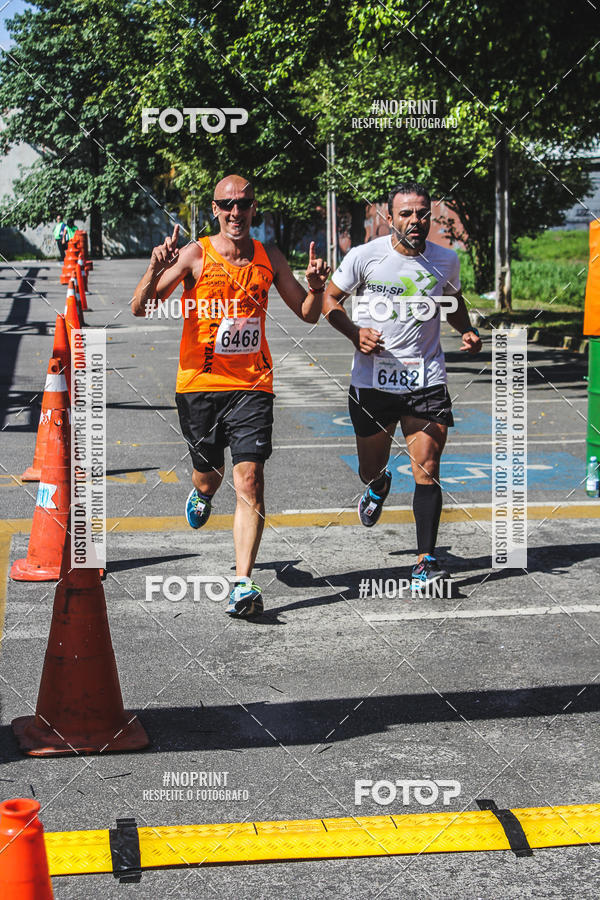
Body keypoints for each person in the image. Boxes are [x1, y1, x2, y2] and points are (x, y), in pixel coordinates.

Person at [131, 175, 329, 617]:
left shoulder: (268, 256)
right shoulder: (195, 254)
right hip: (200, 387)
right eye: (227, 205)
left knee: (250, 480)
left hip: (252, 385)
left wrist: (316, 288)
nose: (235, 212)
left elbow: (307, 314)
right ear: (215, 209)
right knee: (210, 476)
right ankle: (201, 492)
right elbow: (141, 306)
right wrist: (153, 267)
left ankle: (243, 583)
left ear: (253, 208)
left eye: (243, 204)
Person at [322, 181, 482, 589]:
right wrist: (355, 332)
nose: (416, 221)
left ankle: (425, 561)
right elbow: (330, 300)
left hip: (425, 379)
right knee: (369, 467)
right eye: (406, 214)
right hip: (373, 384)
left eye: (422, 213)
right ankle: (378, 485)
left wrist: (466, 330)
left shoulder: (445, 260)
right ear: (390, 218)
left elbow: (453, 299)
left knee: (427, 468)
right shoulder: (364, 257)